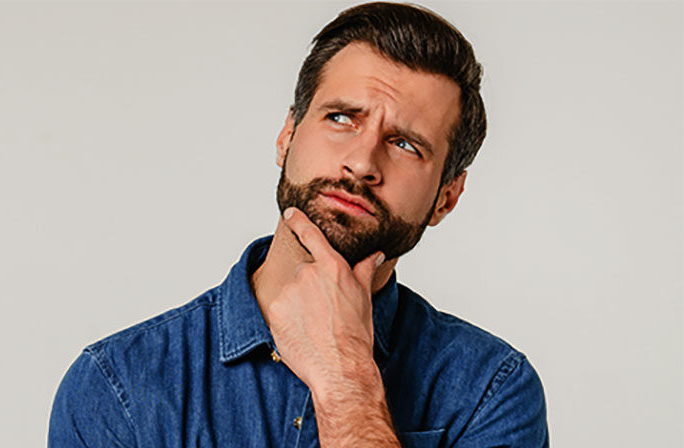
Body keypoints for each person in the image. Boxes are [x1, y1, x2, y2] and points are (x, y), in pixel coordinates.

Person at [49, 2, 549, 447]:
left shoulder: (492, 390)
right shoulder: (119, 386)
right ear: (287, 136)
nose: (361, 162)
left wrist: (345, 381)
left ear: (447, 196)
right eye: (340, 118)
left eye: (405, 144)